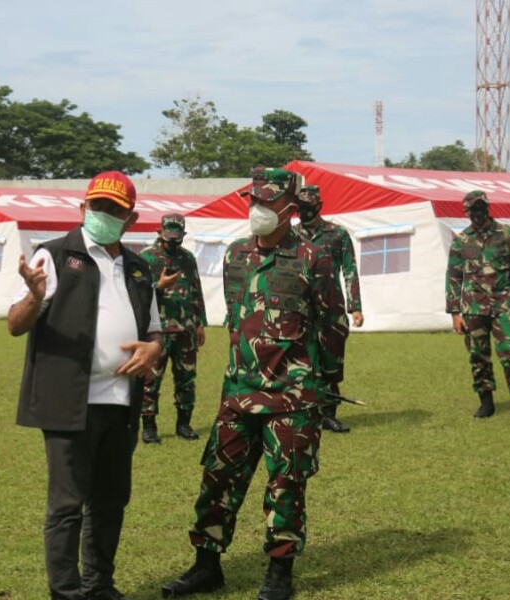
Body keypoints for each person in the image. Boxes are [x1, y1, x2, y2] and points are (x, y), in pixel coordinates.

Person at [161, 168, 348, 600]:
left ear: (289, 209)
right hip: (239, 392)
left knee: (286, 486)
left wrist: (323, 380)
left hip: (292, 396)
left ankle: (279, 575)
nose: (258, 209)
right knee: (217, 478)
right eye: (254, 201)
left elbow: (332, 324)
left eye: (267, 202)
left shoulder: (313, 257)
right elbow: (236, 318)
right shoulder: (235, 255)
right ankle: (206, 566)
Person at [8, 170, 163, 600]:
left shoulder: (138, 268)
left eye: (115, 210)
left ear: (130, 220)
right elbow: (15, 325)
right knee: (66, 505)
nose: (104, 214)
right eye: (97, 206)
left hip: (120, 402)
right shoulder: (54, 255)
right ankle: (66, 592)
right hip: (68, 402)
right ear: (82, 208)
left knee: (111, 501)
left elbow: (154, 329)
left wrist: (154, 350)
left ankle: (100, 586)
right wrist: (35, 298)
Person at [445, 189, 510, 421]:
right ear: (466, 212)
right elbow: (454, 277)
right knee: (478, 356)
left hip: (504, 305)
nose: (477, 212)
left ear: (487, 207)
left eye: (480, 207)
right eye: (472, 209)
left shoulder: (506, 234)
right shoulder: (461, 240)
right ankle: (486, 403)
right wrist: (455, 313)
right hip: (473, 308)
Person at [293, 184, 362, 433]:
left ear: (319, 207)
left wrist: (355, 307)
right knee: (303, 364)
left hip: (331, 311)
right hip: (301, 311)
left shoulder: (337, 234)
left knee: (331, 365)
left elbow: (350, 271)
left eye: (308, 208)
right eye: (300, 208)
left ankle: (329, 414)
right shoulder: (290, 235)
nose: (304, 212)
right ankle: (306, 413)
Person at [139, 214, 207, 443]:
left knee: (186, 380)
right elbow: (136, 294)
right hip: (157, 330)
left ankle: (184, 424)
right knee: (151, 380)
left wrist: (199, 324)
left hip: (185, 330)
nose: (173, 243)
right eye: (169, 238)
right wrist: (158, 286)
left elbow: (196, 290)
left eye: (177, 238)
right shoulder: (146, 258)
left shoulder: (188, 258)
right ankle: (149, 427)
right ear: (160, 232)